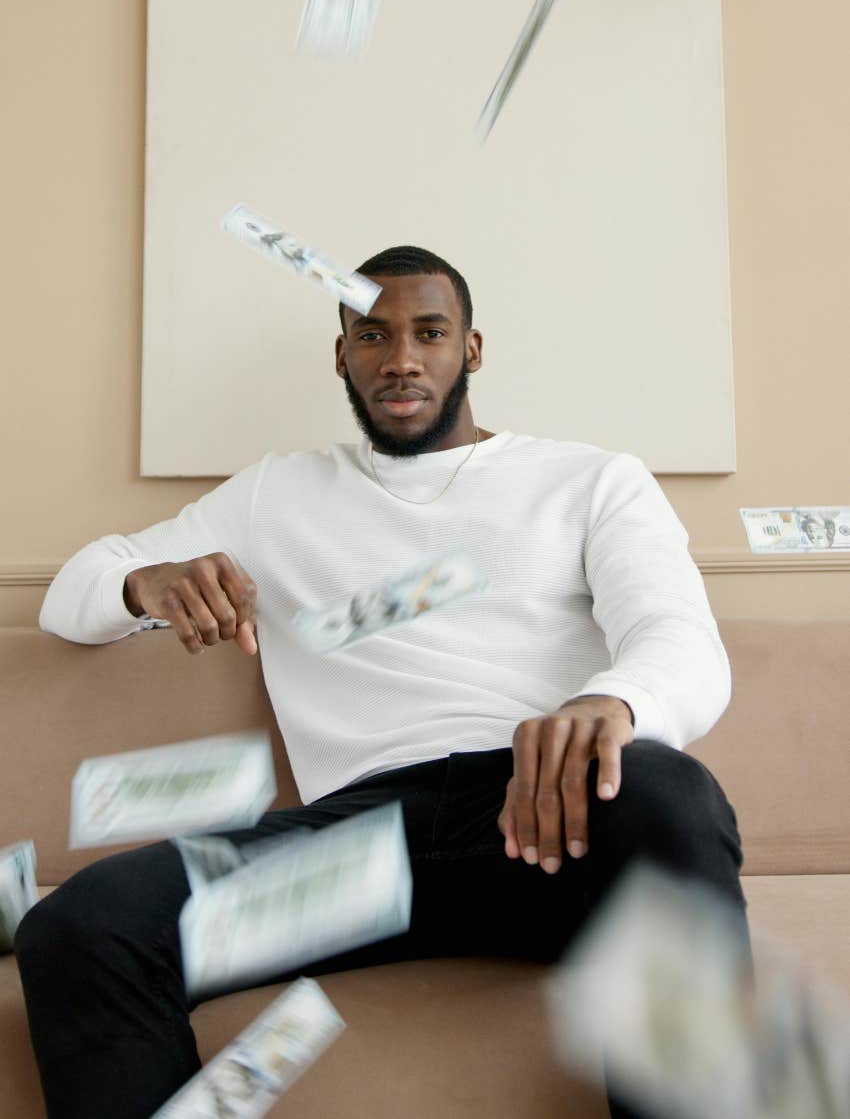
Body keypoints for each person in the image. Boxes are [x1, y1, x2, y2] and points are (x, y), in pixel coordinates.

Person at [15, 245, 751, 1119]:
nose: (401, 357)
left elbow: (681, 639)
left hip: (547, 822)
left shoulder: (590, 480)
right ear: (342, 356)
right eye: (373, 334)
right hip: (353, 856)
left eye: (429, 332)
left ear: (471, 349)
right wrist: (149, 582)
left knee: (668, 788)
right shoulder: (272, 494)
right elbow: (75, 588)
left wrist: (614, 701)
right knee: (80, 929)